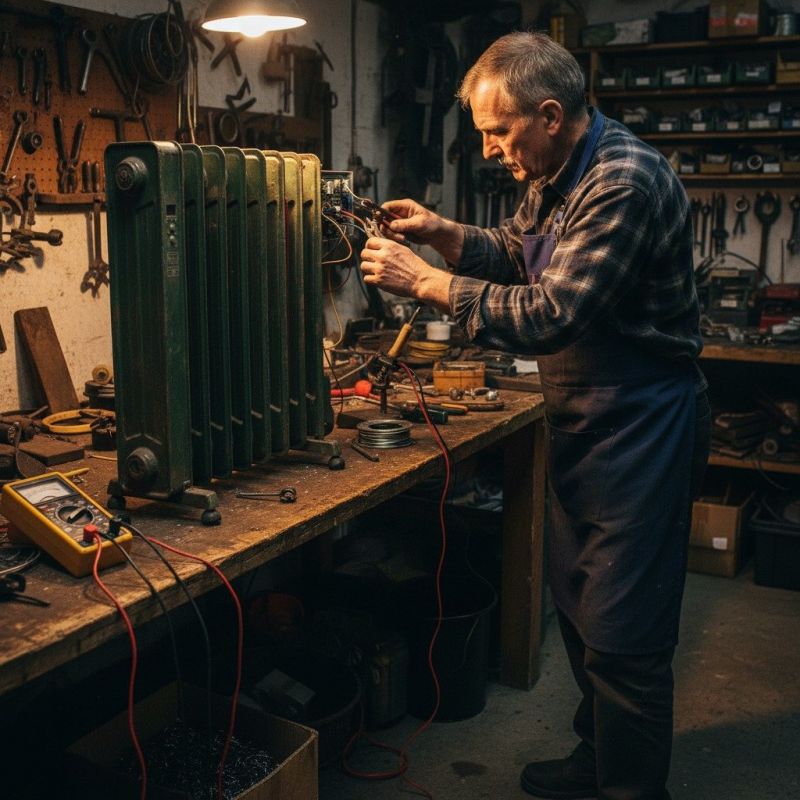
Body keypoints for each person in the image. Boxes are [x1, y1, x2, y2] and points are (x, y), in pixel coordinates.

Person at [359, 31, 711, 800]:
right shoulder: (554, 171)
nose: (488, 149)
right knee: (584, 619)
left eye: (498, 132)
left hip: (642, 428)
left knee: (627, 640)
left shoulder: (623, 181)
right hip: (585, 423)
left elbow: (555, 310)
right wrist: (446, 236)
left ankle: (631, 791)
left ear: (550, 115)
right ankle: (597, 762)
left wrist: (426, 284)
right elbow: (519, 251)